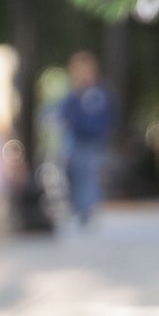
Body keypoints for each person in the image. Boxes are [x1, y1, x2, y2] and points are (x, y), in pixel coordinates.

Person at [59, 50, 117, 223]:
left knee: (90, 173)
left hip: (95, 142)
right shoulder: (73, 96)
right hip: (76, 142)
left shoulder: (101, 94)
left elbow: (109, 116)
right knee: (75, 172)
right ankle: (78, 205)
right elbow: (64, 115)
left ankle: (87, 207)